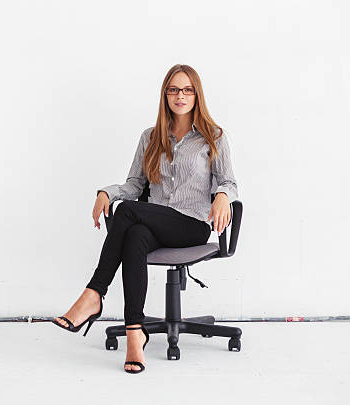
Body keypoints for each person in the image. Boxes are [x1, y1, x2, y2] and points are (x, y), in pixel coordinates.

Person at [52, 64, 238, 374]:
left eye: (187, 90)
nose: (180, 95)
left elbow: (229, 182)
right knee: (135, 233)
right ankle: (134, 333)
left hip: (190, 225)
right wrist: (107, 193)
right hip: (154, 222)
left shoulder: (213, 136)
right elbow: (134, 186)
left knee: (128, 211)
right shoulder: (149, 137)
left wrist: (221, 196)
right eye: (174, 89)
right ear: (165, 95)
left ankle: (94, 293)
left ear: (197, 95)